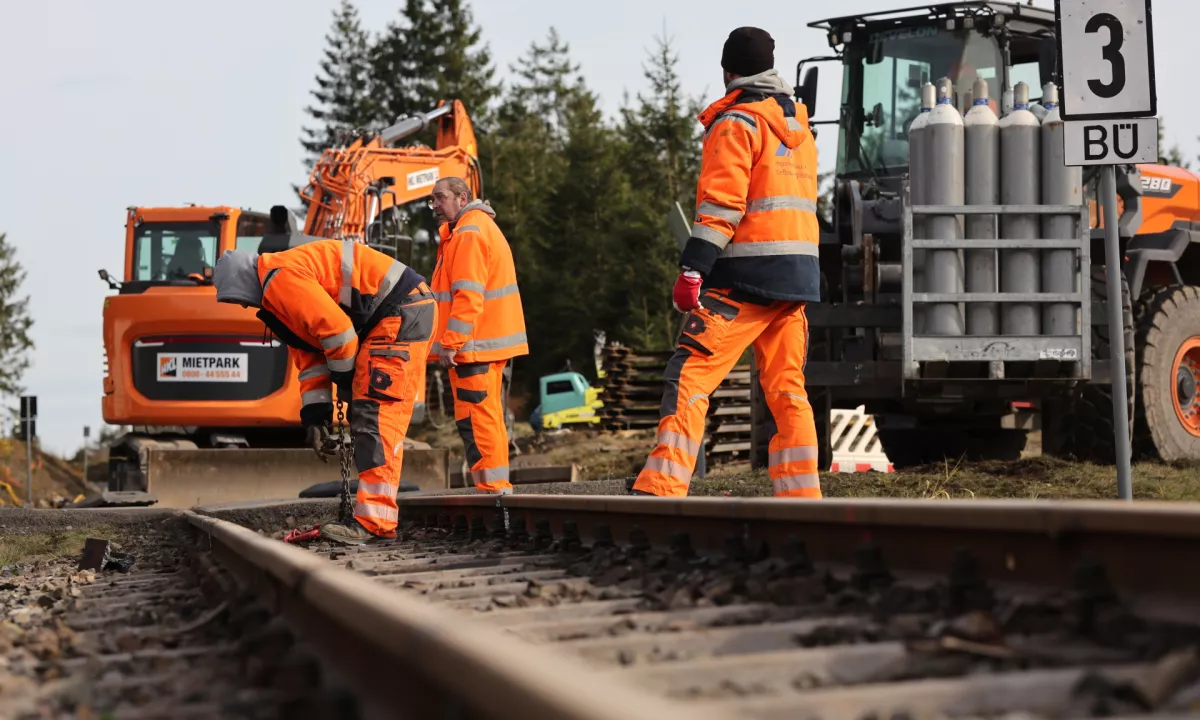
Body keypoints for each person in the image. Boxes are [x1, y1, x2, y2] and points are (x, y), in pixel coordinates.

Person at [631, 26, 822, 499]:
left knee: (689, 373)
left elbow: (722, 205)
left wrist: (694, 268)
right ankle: (801, 498)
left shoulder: (737, 122)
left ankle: (661, 487)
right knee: (787, 390)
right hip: (797, 280)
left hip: (745, 279)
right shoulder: (801, 129)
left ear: (728, 71)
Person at [212, 238, 436, 544]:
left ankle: (376, 523)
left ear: (243, 283)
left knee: (375, 417)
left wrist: (345, 384)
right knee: (370, 416)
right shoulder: (279, 289)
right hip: (399, 310)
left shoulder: (280, 278)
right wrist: (316, 416)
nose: (243, 306)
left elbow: (339, 334)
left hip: (400, 311)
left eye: (238, 299)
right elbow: (310, 358)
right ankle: (375, 519)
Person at [428, 177, 527, 494]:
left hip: (473, 347)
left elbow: (467, 296)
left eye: (440, 198)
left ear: (462, 197)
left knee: (477, 419)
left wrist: (450, 344)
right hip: (483, 344)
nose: (435, 205)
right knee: (486, 417)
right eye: (432, 200)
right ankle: (496, 489)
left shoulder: (468, 233)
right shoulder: (471, 229)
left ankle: (492, 491)